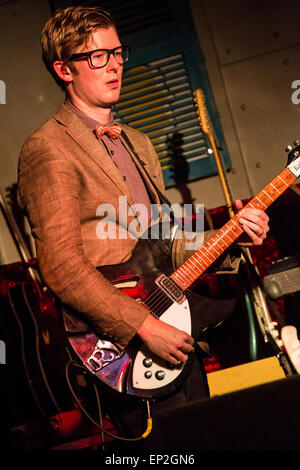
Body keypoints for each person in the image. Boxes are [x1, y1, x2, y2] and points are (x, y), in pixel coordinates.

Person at [17, 6, 269, 449]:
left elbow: (167, 243)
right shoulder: (47, 148)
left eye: (117, 52)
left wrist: (231, 238)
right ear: (63, 69)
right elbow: (60, 267)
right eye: (96, 56)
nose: (113, 64)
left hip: (174, 323)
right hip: (125, 343)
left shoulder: (138, 142)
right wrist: (142, 327)